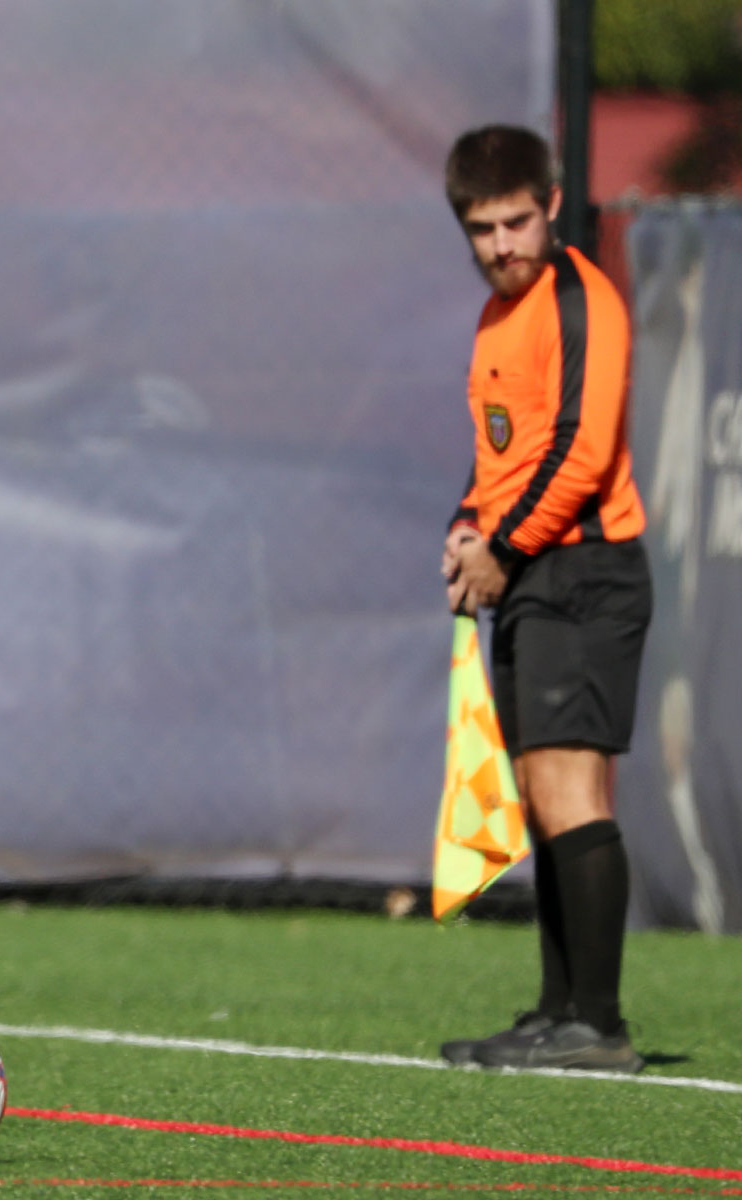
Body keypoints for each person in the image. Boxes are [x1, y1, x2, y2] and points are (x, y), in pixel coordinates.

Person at [435, 125, 650, 1074]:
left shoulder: (579, 298)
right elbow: (504, 457)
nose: (502, 245)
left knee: (571, 793)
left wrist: (503, 548)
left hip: (585, 574)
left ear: (553, 205)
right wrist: (466, 527)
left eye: (516, 222)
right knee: (543, 794)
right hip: (532, 575)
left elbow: (582, 451)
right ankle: (557, 1010)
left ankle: (598, 1025)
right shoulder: (496, 317)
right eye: (482, 229)